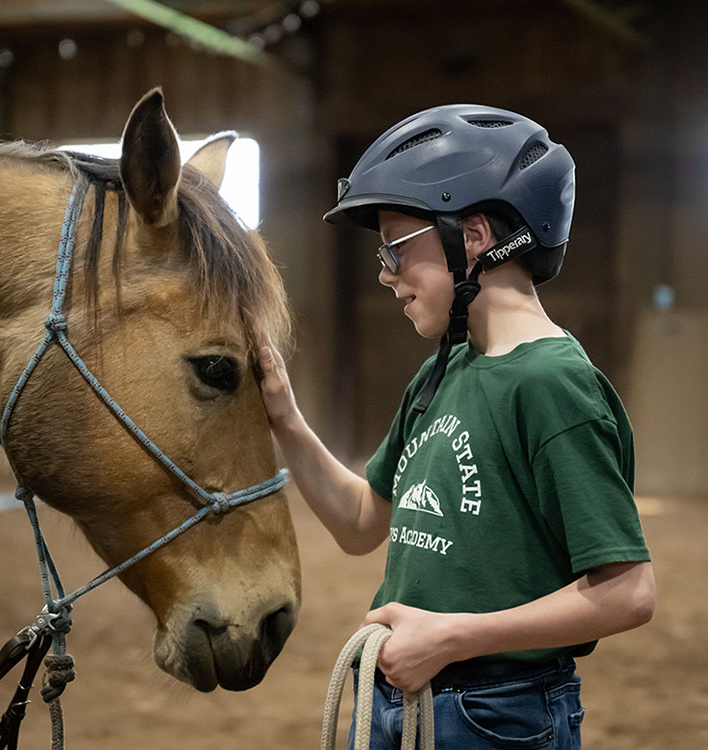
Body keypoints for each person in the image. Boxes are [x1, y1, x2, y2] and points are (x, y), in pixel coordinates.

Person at [259, 105, 655, 749]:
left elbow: (629, 593)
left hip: (497, 714)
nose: (385, 274)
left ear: (471, 236)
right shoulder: (444, 371)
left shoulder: (551, 385)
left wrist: (452, 637)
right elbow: (363, 522)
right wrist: (284, 415)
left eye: (395, 247)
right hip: (402, 697)